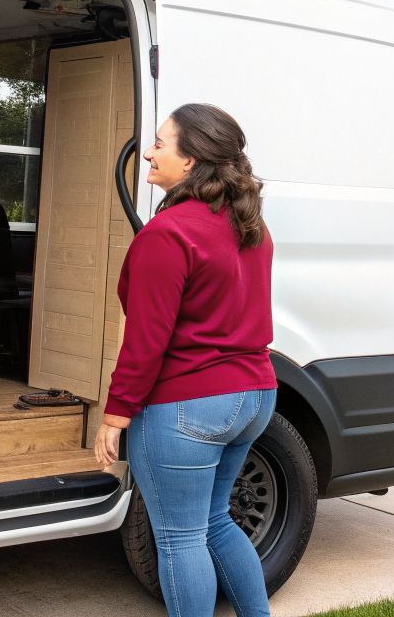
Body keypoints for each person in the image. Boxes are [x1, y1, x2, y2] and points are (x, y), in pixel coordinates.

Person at [92, 103, 278, 617]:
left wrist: (115, 414)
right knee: (216, 522)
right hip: (254, 396)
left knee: (179, 538)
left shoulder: (168, 233)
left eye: (159, 143)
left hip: (189, 404)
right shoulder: (251, 229)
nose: (147, 152)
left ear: (192, 161)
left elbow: (146, 340)